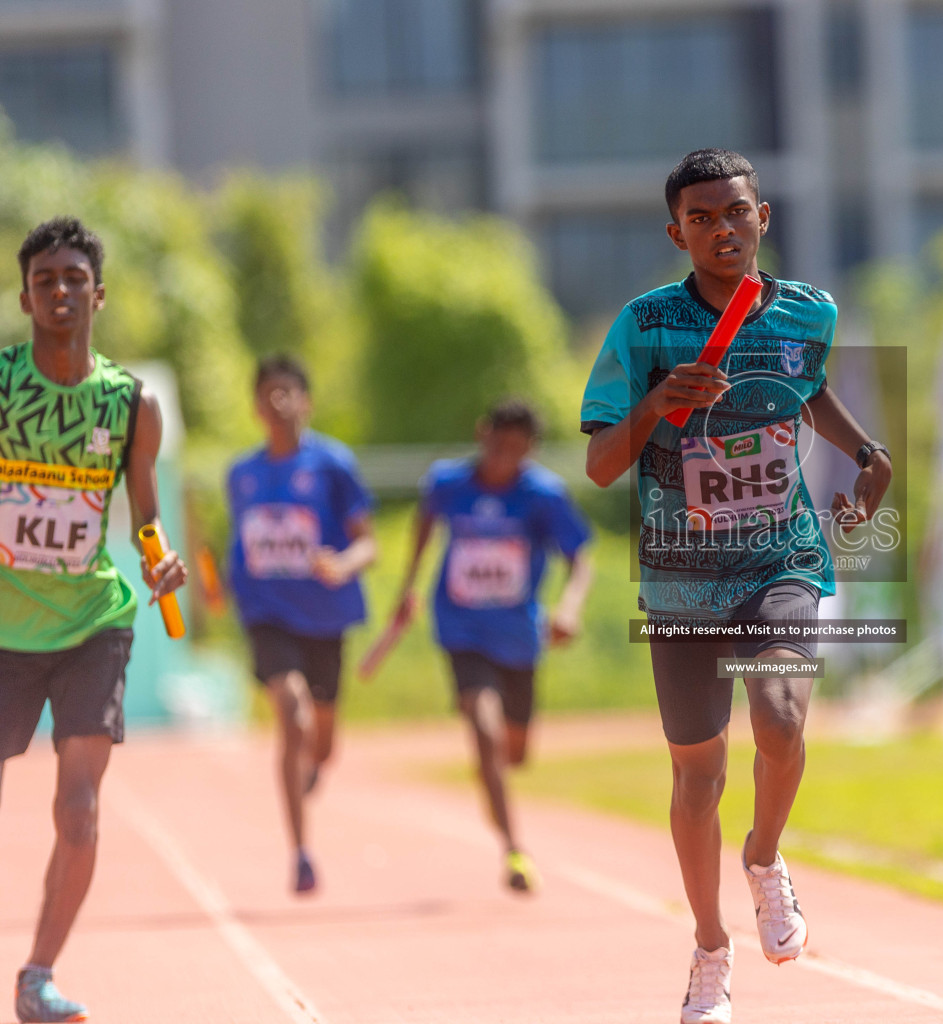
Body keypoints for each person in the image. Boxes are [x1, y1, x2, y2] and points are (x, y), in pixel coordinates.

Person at [581, 148, 893, 1024]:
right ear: (676, 231)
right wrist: (656, 406)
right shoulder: (642, 327)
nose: (724, 229)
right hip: (681, 582)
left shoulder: (807, 313)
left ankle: (765, 858)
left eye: (738, 213)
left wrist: (868, 455)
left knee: (783, 720)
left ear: (765, 218)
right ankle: (711, 950)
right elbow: (603, 466)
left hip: (778, 558)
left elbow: (810, 389)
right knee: (697, 780)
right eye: (704, 218)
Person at [0, 217, 188, 1023]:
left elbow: (144, 515)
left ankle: (37, 978)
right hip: (5, 631)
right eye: (46, 280)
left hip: (90, 624)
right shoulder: (2, 385)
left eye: (75, 277)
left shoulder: (128, 403)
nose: (62, 290)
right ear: (26, 297)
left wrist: (160, 560)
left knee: (78, 808)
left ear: (98, 294)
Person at [388, 398, 593, 892]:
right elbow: (424, 524)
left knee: (513, 753)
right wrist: (409, 586)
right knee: (483, 727)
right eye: (499, 446)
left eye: (517, 451)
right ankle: (513, 851)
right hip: (461, 629)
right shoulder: (447, 483)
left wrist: (568, 607)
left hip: (519, 636)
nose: (505, 459)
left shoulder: (543, 495)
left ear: (531, 451)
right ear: (482, 436)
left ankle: (492, 770)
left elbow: (579, 555)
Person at [225, 354, 376, 895]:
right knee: (291, 713)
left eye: (288, 390)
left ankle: (314, 765)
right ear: (255, 404)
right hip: (268, 617)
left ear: (306, 401)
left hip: (325, 618)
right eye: (268, 391)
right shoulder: (241, 474)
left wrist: (343, 564)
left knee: (323, 743)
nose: (278, 400)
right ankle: (301, 853)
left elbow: (368, 542)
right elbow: (241, 546)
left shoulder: (333, 465)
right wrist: (224, 589)